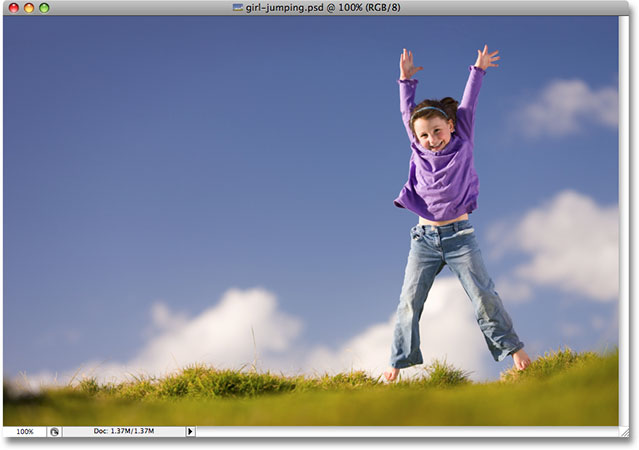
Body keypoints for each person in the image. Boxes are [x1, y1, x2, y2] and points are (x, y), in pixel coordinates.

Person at [384, 46, 531, 382]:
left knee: (484, 296)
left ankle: (514, 350)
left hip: (460, 237)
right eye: (424, 135)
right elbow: (407, 110)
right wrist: (406, 80)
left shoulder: (462, 138)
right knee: (409, 301)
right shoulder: (417, 147)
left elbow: (469, 103)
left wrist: (477, 70)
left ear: (450, 126)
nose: (432, 139)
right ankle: (397, 363)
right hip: (423, 240)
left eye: (437, 131)